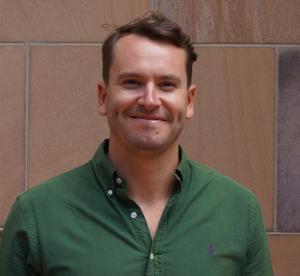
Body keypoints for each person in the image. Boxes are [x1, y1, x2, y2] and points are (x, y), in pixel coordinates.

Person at [0, 12, 273, 276]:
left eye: (166, 84)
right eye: (132, 82)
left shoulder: (238, 210)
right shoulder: (37, 214)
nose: (150, 100)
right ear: (103, 96)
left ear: (189, 101)